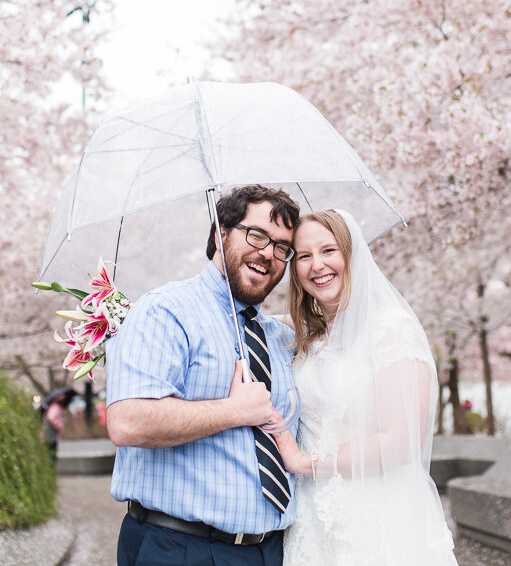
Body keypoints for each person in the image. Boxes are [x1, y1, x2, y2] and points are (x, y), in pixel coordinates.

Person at [105, 185, 301, 566]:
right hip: (181, 548)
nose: (267, 254)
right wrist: (234, 410)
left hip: (271, 551)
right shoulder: (166, 312)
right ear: (220, 233)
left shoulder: (276, 336)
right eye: (256, 234)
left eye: (282, 247)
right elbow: (127, 422)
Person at [272, 209, 457, 565]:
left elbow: (401, 443)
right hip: (313, 520)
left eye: (329, 251)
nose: (317, 266)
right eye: (304, 256)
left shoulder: (390, 330)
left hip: (378, 516)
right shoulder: (308, 336)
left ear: (352, 253)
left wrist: (303, 462)